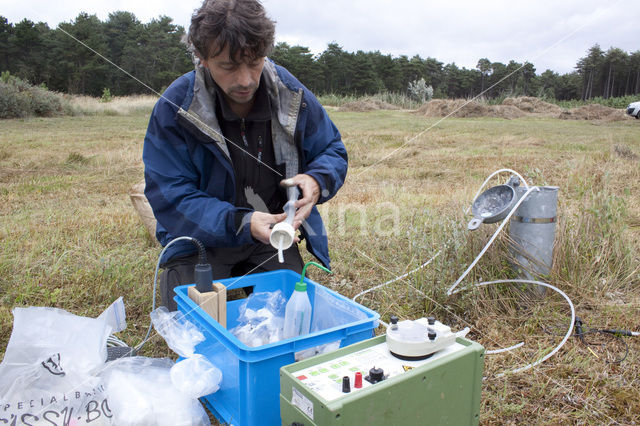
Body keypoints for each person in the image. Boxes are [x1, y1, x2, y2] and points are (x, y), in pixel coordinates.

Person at [143, 0, 347, 310]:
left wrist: (317, 180)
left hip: (268, 239)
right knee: (190, 329)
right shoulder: (175, 108)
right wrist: (241, 222)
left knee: (294, 319)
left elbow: (332, 149)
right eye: (228, 65)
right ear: (202, 58)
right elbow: (170, 196)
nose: (245, 80)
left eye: (254, 62)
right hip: (200, 241)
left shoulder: (290, 94)